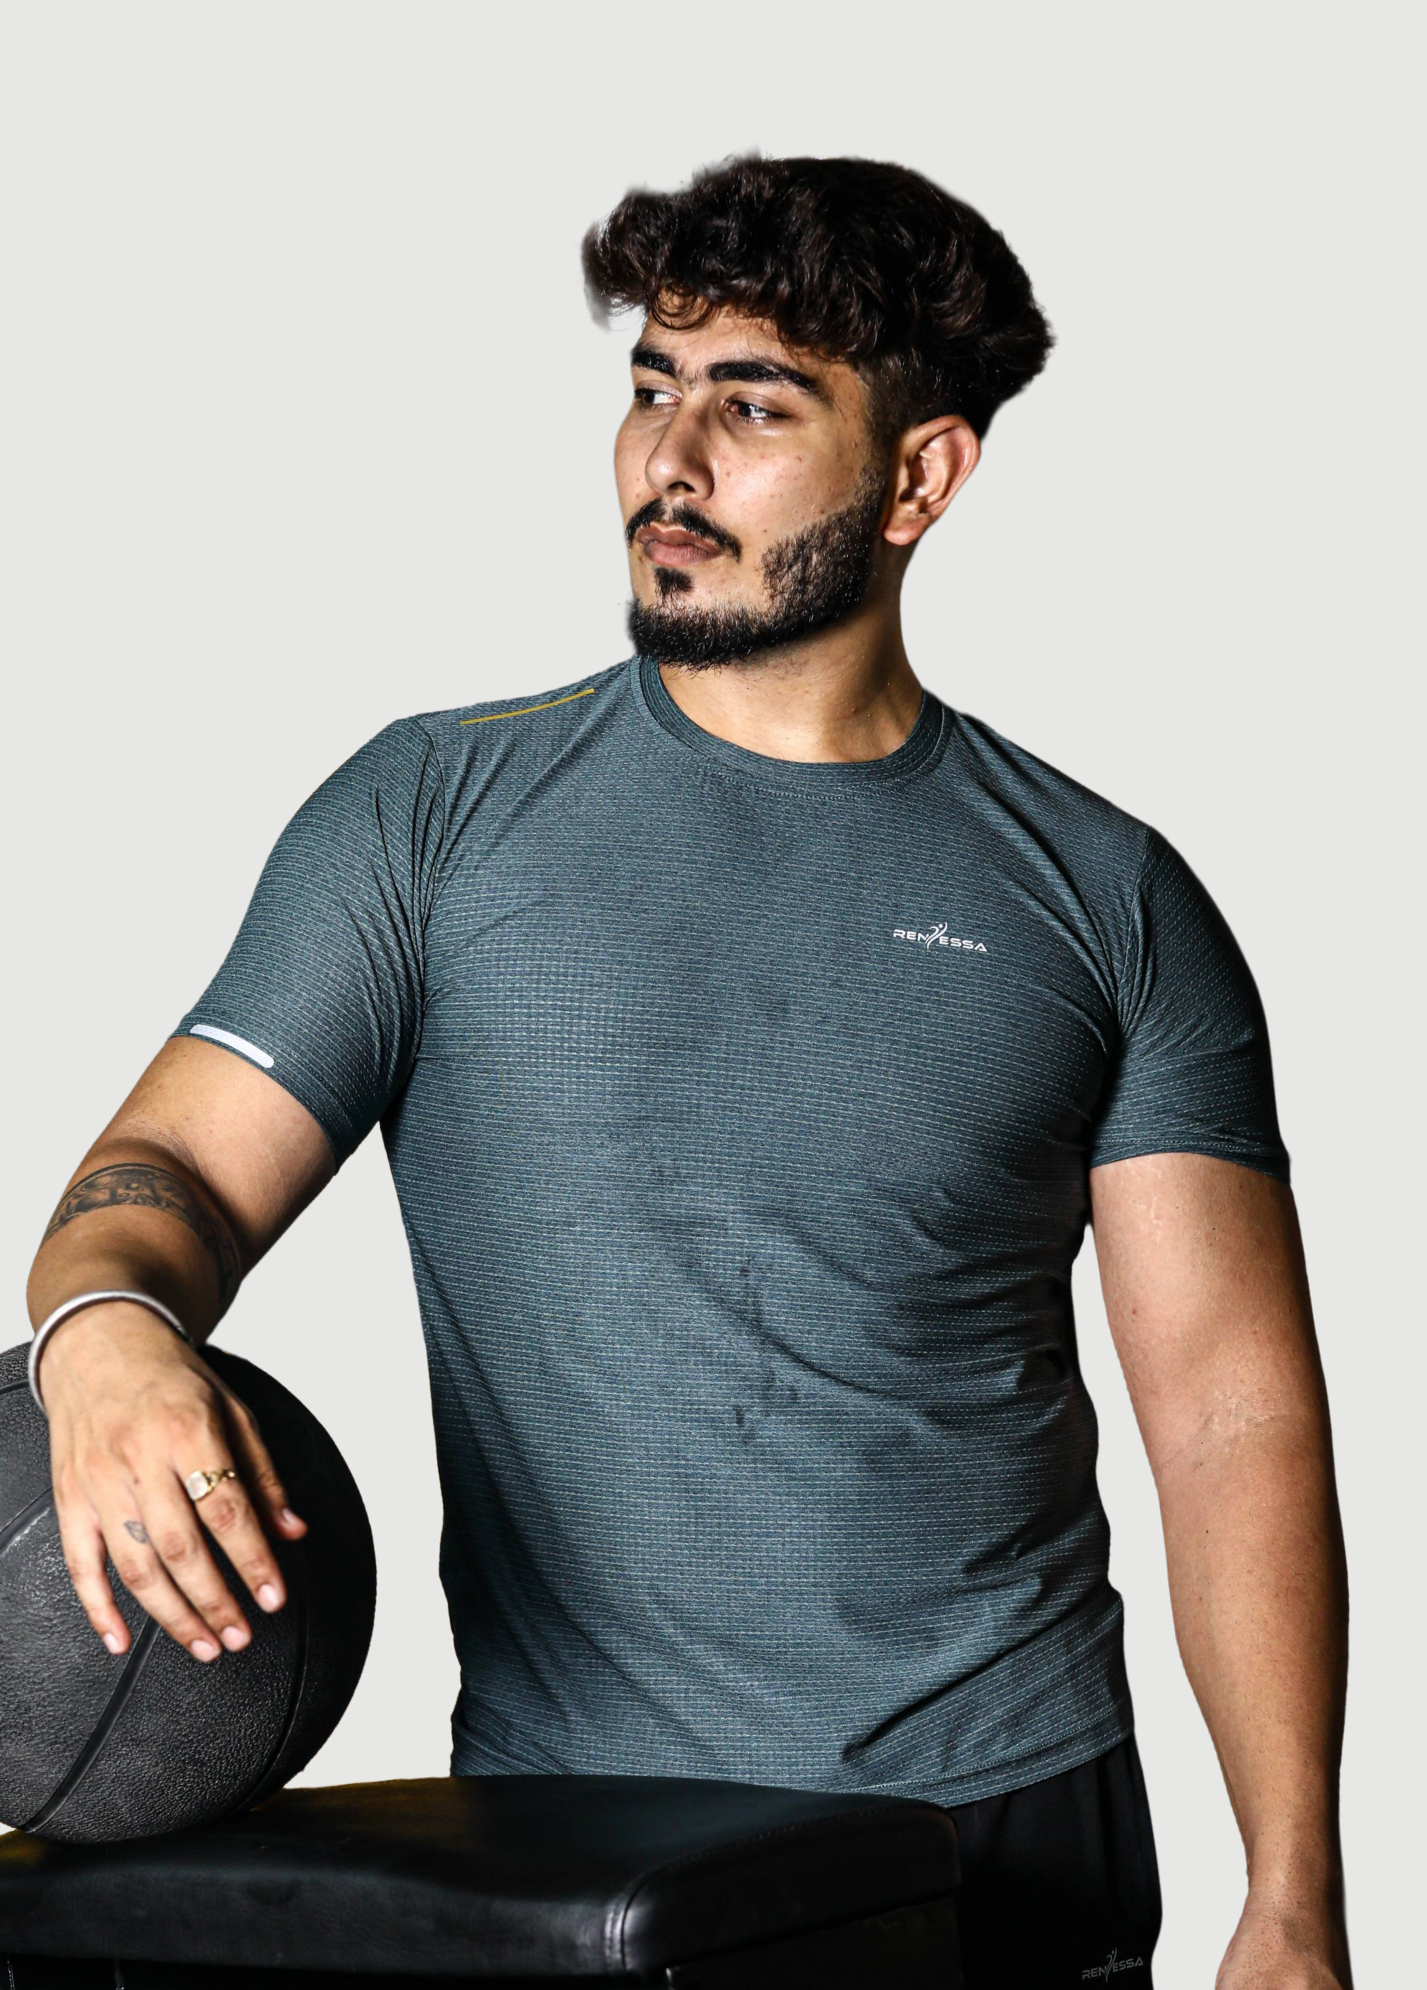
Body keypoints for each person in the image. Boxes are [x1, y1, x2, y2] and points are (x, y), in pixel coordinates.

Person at [25, 157, 1350, 1989]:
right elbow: (170, 1172)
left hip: (1011, 1829)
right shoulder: (431, 818)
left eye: (754, 405)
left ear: (920, 477)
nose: (669, 457)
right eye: (651, 386)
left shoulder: (1104, 894)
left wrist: (1291, 1891)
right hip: (586, 1845)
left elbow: (1228, 1417)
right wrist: (103, 1324)